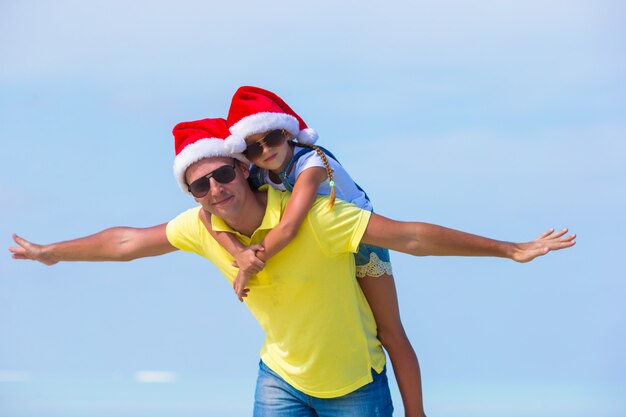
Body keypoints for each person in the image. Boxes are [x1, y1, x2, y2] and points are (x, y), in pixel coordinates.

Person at [10, 118, 575, 417]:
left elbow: (409, 237)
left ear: (243, 170)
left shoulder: (317, 212)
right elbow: (126, 242)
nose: (214, 189)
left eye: (223, 175)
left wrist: (510, 248)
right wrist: (51, 252)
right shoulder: (201, 225)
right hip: (278, 382)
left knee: (391, 331)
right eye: (199, 184)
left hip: (355, 388)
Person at [202, 85, 425, 417]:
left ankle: (416, 412)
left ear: (288, 133)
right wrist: (236, 249)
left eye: (272, 139)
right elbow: (207, 213)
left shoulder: (312, 162)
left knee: (389, 331)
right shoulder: (263, 171)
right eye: (252, 147)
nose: (265, 151)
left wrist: (249, 265)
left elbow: (290, 227)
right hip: (324, 247)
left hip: (363, 242)